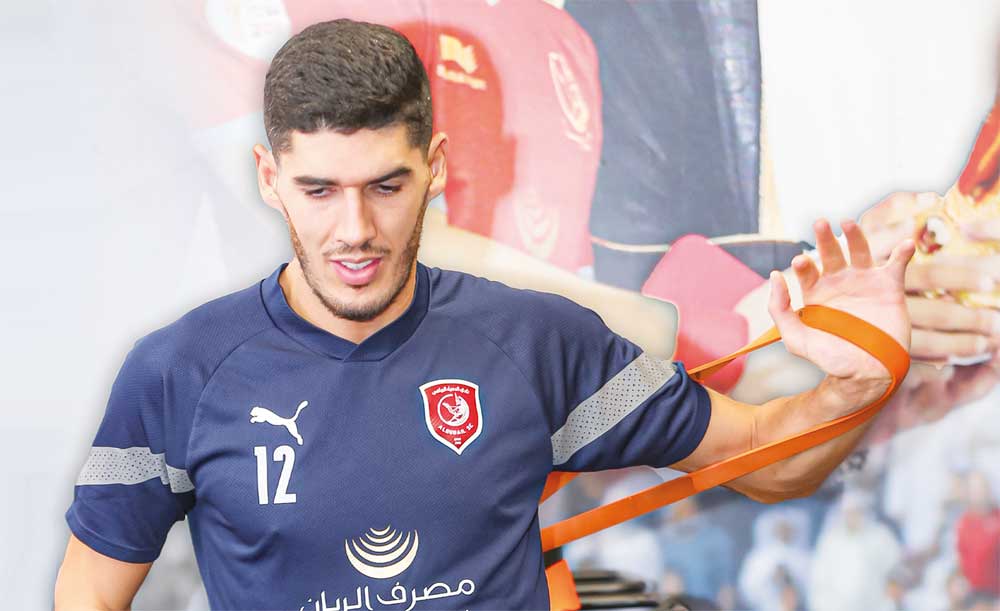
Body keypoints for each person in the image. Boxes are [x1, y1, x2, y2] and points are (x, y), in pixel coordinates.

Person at [54, 19, 915, 611]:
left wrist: (861, 381)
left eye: (386, 186)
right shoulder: (179, 370)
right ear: (269, 176)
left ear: (433, 168)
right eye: (319, 190)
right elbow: (91, 589)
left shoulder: (537, 339)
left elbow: (765, 462)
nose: (354, 229)